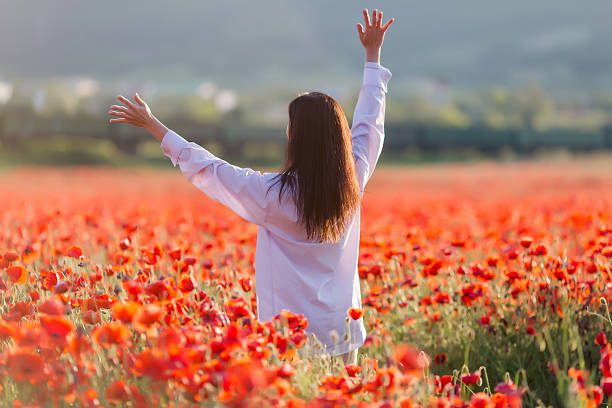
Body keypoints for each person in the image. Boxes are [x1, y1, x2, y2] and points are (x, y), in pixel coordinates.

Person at [109, 8, 393, 366]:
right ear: (339, 137)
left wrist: (154, 127)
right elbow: (370, 124)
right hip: (341, 332)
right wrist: (372, 56)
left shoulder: (272, 195)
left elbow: (210, 170)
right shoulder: (354, 178)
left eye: (290, 126)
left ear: (297, 137)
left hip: (290, 340)